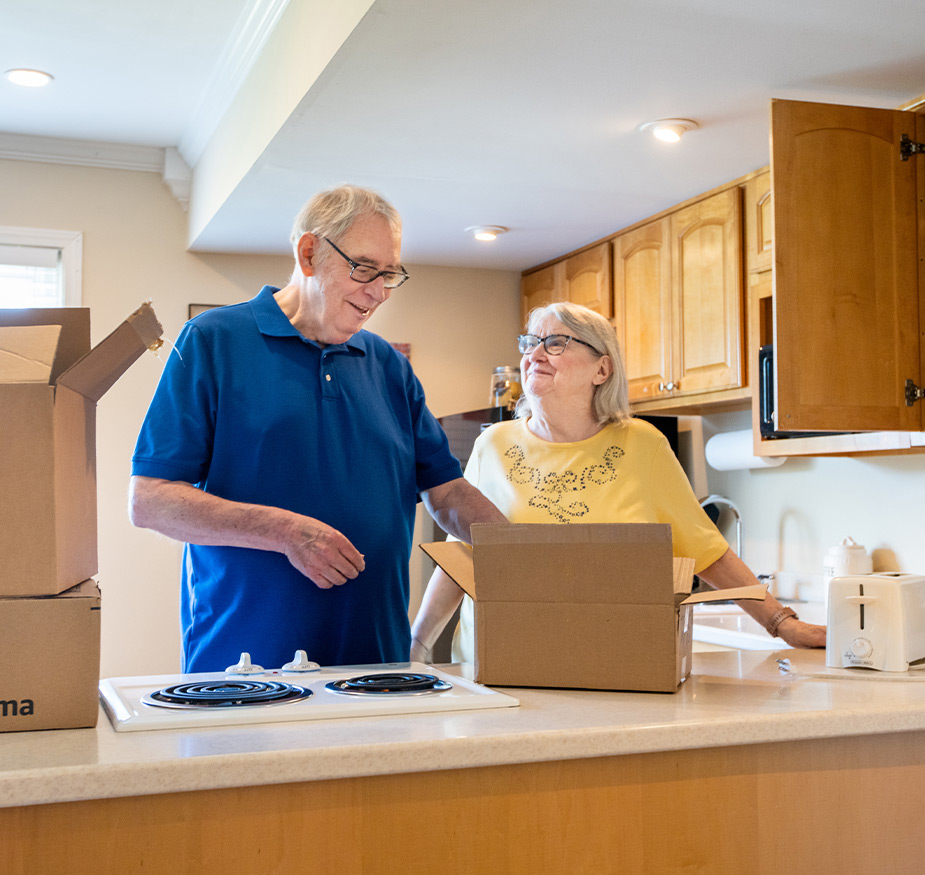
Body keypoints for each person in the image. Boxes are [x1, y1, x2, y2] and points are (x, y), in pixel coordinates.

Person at [129, 184, 506, 673]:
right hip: (243, 667)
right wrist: (285, 531)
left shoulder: (388, 365)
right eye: (365, 268)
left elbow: (447, 491)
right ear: (309, 253)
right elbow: (150, 500)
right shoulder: (212, 341)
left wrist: (522, 553)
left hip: (375, 668)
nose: (378, 292)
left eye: (389, 274)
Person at [410, 301, 826, 663]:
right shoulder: (492, 444)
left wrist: (782, 624)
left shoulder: (642, 446)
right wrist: (416, 646)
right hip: (496, 666)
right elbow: (462, 556)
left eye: (556, 342)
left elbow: (708, 552)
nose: (535, 353)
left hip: (613, 667)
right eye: (530, 343)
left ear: (602, 368)